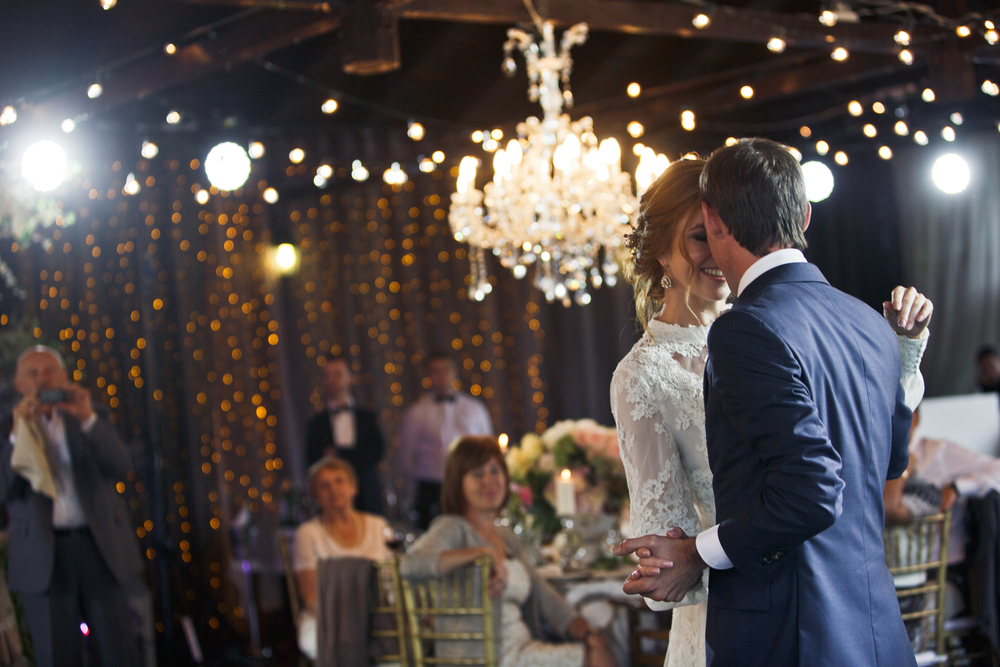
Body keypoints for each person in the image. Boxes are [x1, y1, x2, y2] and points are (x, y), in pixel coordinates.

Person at [613, 139, 931, 667]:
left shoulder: (752, 329)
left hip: (791, 627)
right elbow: (659, 569)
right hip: (784, 622)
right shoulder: (645, 373)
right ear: (659, 251)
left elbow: (838, 479)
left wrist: (696, 553)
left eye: (709, 234)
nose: (715, 254)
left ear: (722, 224)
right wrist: (670, 563)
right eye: (697, 240)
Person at [400, 436, 617, 667]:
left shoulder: (505, 536)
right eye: (477, 474)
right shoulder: (452, 527)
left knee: (599, 649)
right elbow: (410, 564)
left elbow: (545, 598)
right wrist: (481, 553)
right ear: (458, 483)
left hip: (521, 651)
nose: (489, 481)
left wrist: (590, 636)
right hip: (480, 657)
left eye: (495, 470)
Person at [0, 345, 141, 667]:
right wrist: (16, 436)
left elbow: (122, 467)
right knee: (56, 655)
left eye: (49, 371)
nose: (41, 379)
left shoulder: (92, 416)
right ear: (19, 384)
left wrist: (87, 417)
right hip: (44, 558)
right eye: (32, 374)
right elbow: (4, 489)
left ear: (64, 377)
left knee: (118, 652)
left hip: (99, 551)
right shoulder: (7, 427)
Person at [292, 456, 393, 660]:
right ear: (316, 496)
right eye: (324, 485)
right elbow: (310, 596)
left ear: (353, 487)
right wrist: (352, 621)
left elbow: (392, 579)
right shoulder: (308, 533)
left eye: (340, 481)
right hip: (328, 621)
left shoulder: (378, 525)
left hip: (379, 616)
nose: (334, 489)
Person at [399, 353, 493, 529]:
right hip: (431, 488)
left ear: (454, 372)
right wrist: (417, 487)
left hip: (468, 484)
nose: (441, 375)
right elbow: (406, 455)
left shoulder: (475, 409)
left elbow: (488, 449)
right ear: (428, 376)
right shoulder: (417, 412)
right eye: (435, 371)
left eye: (446, 370)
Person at [306, 356, 386, 514]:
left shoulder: (367, 417)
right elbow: (312, 461)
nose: (331, 380)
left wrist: (339, 454)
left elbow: (376, 451)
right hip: (332, 501)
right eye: (326, 375)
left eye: (337, 374)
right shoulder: (316, 423)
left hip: (367, 496)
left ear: (350, 377)